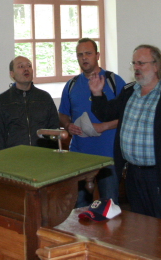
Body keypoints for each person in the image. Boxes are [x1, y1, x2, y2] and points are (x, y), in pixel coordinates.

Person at [90, 44, 161, 223]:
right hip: (133, 173)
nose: (136, 68)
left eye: (141, 63)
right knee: (141, 225)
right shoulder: (129, 91)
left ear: (156, 65)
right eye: (134, 63)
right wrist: (97, 93)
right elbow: (106, 113)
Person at [59, 38, 126, 207]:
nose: (84, 58)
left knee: (109, 206)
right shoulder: (72, 85)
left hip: (108, 156)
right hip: (79, 155)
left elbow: (128, 115)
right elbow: (63, 114)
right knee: (79, 206)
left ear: (97, 55)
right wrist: (68, 125)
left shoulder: (114, 81)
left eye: (88, 53)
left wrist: (104, 126)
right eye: (80, 54)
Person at [0, 56, 60, 151]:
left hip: (42, 154)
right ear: (12, 74)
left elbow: (54, 129)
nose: (26, 69)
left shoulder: (44, 98)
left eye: (29, 66)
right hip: (13, 155)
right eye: (21, 66)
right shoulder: (1, 101)